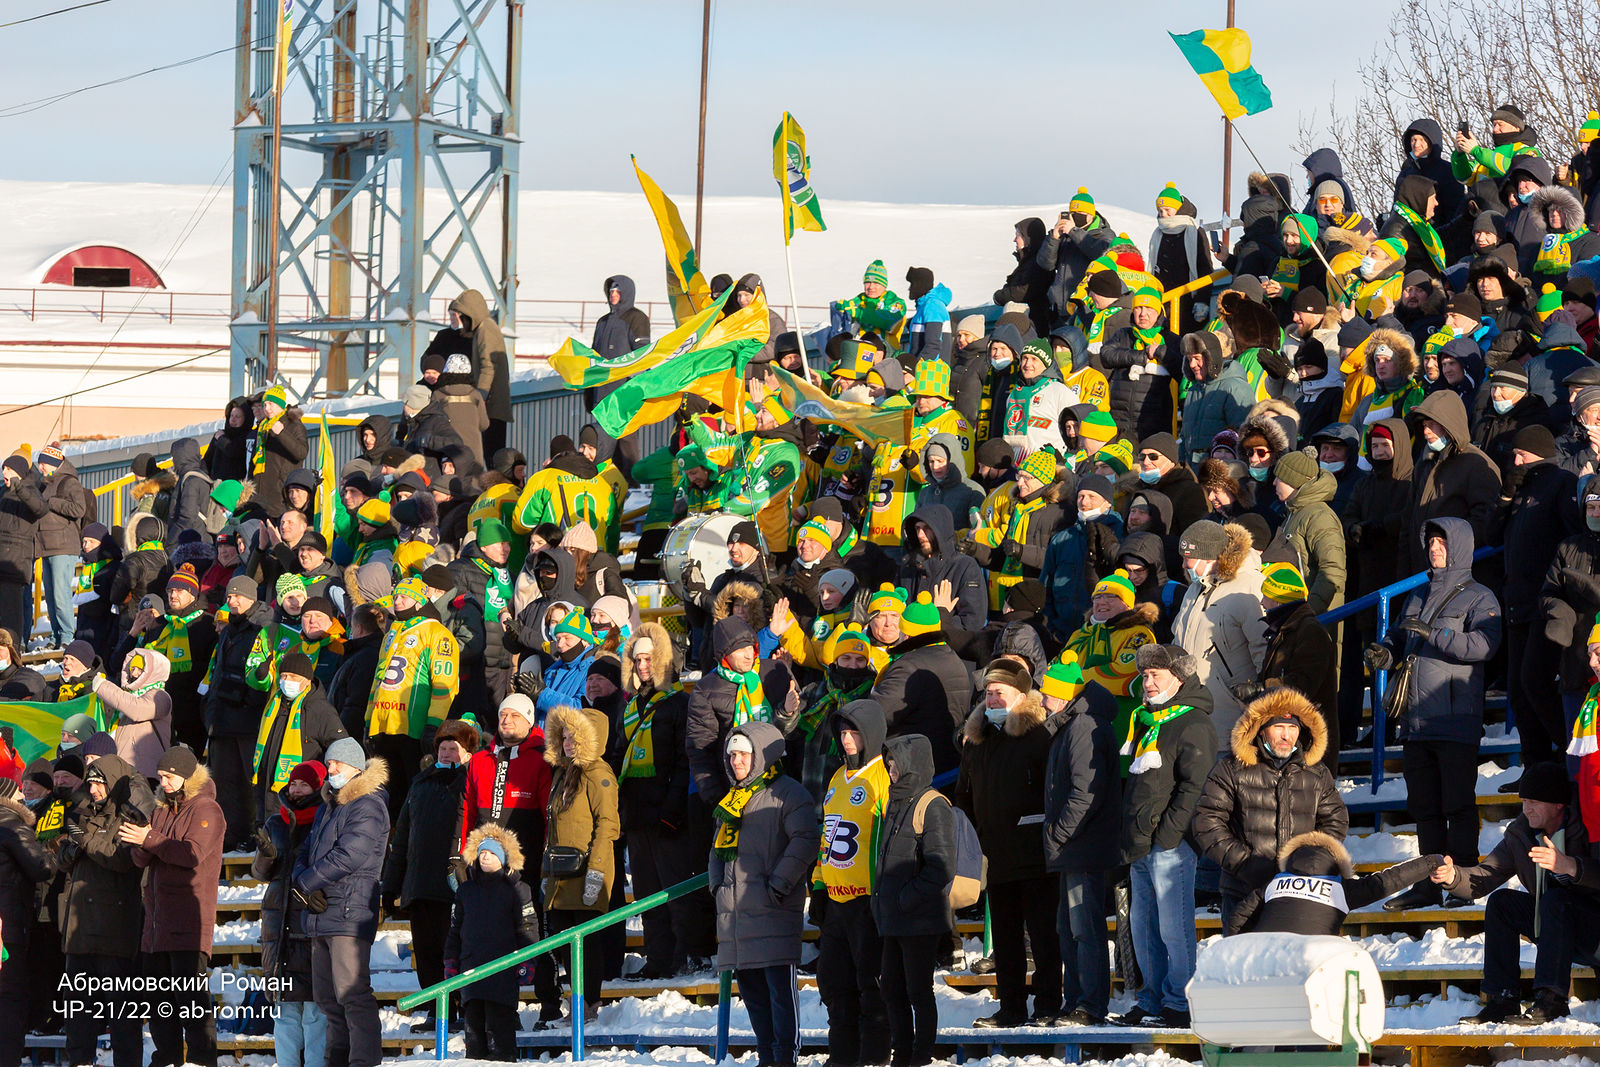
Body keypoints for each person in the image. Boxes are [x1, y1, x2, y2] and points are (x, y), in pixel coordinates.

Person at [1368, 518, 1502, 910]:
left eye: (1442, 542)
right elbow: (1400, 634)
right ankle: (1427, 884)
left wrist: (1437, 635)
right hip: (1416, 719)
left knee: (1457, 805)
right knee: (1424, 808)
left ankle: (1464, 881)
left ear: (1458, 546)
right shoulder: (1419, 593)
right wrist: (1386, 651)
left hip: (1455, 717)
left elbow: (1484, 645)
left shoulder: (1480, 597)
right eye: (1431, 542)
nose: (1434, 548)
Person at [1434, 763, 1597, 1024]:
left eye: (1534, 802)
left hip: (1594, 930)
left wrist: (1569, 866)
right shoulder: (1521, 833)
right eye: (1524, 801)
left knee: (1556, 899)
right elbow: (1486, 875)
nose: (1526, 808)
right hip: (1556, 927)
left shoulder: (1589, 823)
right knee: (1502, 903)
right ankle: (1502, 1000)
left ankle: (1551, 1002)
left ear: (1558, 804)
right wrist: (1453, 877)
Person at [1113, 644, 1217, 1029]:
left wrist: (1170, 835)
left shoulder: (1193, 722)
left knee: (1174, 929)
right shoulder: (1146, 719)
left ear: (1179, 677)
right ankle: (1150, 1000)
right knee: (1144, 930)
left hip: (1171, 845)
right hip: (1140, 843)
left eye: (1156, 674)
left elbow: (1196, 788)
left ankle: (1179, 1003)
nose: (1148, 682)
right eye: (1144, 675)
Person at [1191, 688, 1347, 934]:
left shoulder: (1316, 773)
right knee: (1243, 958)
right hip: (1243, 890)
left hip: (1298, 893)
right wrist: (1245, 863)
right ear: (1261, 729)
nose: (1287, 735)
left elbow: (1335, 822)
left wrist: (1307, 863)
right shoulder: (1231, 768)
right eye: (1279, 727)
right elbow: (1207, 822)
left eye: (1293, 728)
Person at [957, 659, 1061, 1027]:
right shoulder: (978, 739)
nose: (992, 699)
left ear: (1020, 695)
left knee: (1044, 935)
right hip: (996, 855)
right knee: (1005, 938)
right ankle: (1011, 1008)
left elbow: (1054, 792)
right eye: (988, 693)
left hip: (1034, 855)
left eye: (999, 692)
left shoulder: (1040, 737)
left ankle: (1048, 1004)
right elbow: (964, 794)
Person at [710, 722, 820, 1067]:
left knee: (779, 993)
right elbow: (716, 850)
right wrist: (717, 885)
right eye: (732, 755)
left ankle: (784, 1057)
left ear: (761, 755)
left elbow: (806, 839)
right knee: (754, 994)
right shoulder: (732, 799)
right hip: (736, 914)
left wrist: (779, 884)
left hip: (773, 908)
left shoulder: (789, 793)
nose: (736, 761)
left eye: (743, 754)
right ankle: (767, 1056)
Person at [125, 746, 225, 1067]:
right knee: (159, 1006)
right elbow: (140, 859)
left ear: (186, 776)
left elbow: (191, 854)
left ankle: (201, 1060)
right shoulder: (161, 810)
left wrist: (149, 839)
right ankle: (166, 1060)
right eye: (161, 776)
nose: (163, 782)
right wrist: (141, 839)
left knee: (191, 1002)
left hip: (188, 924)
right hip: (156, 926)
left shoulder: (206, 808)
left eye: (169, 776)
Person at [294, 737, 389, 1067]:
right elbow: (306, 849)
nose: (330, 768)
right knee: (327, 999)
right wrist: (302, 881)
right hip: (321, 912)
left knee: (352, 994)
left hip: (350, 911)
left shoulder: (368, 804)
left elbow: (350, 855)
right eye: (329, 763)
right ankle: (337, 1060)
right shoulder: (328, 805)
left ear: (355, 767)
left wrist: (308, 882)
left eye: (336, 763)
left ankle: (363, 1061)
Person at [808, 698, 891, 1065]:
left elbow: (890, 839)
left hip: (868, 900)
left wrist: (883, 890)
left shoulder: (882, 776)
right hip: (836, 900)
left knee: (871, 983)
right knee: (833, 982)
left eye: (853, 732)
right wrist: (818, 885)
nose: (846, 739)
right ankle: (842, 1054)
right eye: (842, 732)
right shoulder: (837, 777)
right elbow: (826, 838)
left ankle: (873, 1055)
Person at [381, 717, 477, 1030]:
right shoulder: (420, 783)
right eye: (443, 748)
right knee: (426, 952)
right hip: (419, 884)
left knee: (455, 951)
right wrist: (390, 885)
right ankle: (438, 1011)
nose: (447, 753)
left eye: (454, 748)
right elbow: (402, 837)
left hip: (453, 885)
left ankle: (462, 1010)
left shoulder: (471, 781)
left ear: (467, 753)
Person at [55, 755, 150, 1067]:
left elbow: (120, 859)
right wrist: (70, 848)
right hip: (79, 932)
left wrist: (86, 841)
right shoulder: (84, 814)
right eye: (91, 782)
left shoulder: (130, 817)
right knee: (77, 1016)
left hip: (115, 932)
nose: (93, 789)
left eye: (99, 783)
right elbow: (63, 861)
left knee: (122, 1016)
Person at [1040, 659, 1121, 1025]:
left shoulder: (1083, 726)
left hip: (1081, 847)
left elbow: (1085, 793)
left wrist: (1059, 833)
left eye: (1046, 694)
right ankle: (1075, 1001)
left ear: (1062, 696)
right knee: (1068, 928)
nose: (1042, 701)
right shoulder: (1073, 725)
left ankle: (1089, 1005)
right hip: (1073, 847)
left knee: (1083, 928)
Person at [616, 623, 698, 978]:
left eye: (649, 659)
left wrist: (673, 810)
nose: (643, 666)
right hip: (637, 814)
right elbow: (619, 757)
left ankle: (684, 955)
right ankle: (657, 958)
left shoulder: (680, 703)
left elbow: (684, 761)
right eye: (637, 660)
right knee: (647, 892)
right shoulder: (630, 706)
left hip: (669, 814)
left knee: (676, 890)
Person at [873, 733, 955, 1067]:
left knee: (918, 990)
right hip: (895, 915)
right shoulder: (895, 801)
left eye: (896, 764)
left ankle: (921, 1055)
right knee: (892, 988)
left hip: (919, 917)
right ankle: (902, 1053)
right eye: (889, 764)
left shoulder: (932, 804)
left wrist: (905, 898)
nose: (891, 770)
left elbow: (941, 866)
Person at [538, 703, 620, 1025]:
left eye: (575, 737)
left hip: (587, 871)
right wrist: (546, 872)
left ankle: (589, 1005)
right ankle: (577, 1003)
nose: (568, 743)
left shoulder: (599, 773)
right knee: (565, 942)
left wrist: (596, 871)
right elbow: (554, 827)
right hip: (561, 874)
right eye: (565, 737)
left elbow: (608, 825)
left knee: (586, 943)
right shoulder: (562, 773)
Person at [253, 760, 329, 1067]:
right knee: (284, 1014)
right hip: (279, 926)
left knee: (314, 1014)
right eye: (293, 784)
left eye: (304, 785)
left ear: (318, 787)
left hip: (310, 924)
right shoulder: (276, 822)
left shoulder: (326, 819)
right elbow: (260, 873)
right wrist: (266, 855)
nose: (296, 790)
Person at [365, 576, 460, 818]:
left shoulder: (437, 632)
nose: (397, 602)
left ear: (419, 602)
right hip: (384, 726)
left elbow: (445, 683)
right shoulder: (392, 632)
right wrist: (368, 720)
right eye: (395, 596)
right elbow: (378, 679)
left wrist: (433, 724)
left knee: (414, 795)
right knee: (386, 795)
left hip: (414, 729)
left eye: (404, 597)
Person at [1169, 520, 1268, 744]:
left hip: (1231, 712)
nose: (1183, 565)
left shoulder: (1250, 586)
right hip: (1188, 710)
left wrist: (1261, 698)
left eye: (1188, 558)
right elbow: (1179, 638)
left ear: (1208, 557)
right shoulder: (1194, 589)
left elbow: (1263, 647)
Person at [448, 825, 539, 1058]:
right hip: (471, 969)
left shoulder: (518, 889)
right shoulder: (466, 890)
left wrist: (528, 960)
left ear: (504, 858)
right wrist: (450, 961)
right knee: (474, 1035)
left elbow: (528, 928)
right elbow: (455, 930)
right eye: (482, 852)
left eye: (492, 853)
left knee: (501, 1034)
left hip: (503, 971)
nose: (485, 857)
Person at [0, 775, 53, 1067]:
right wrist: (56, 851)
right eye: (18, 791)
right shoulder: (12, 823)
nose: (24, 795)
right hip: (8, 925)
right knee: (11, 995)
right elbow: (41, 867)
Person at [448, 289, 512, 459]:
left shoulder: (486, 328)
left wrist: (481, 396)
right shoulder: (482, 329)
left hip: (491, 406)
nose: (461, 321)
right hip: (490, 404)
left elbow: (488, 366)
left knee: (492, 454)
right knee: (489, 453)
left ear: (471, 314)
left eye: (462, 316)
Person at [34, 446, 87, 649]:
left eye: (43, 463)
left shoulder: (69, 482)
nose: (40, 468)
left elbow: (79, 509)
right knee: (50, 594)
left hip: (63, 546)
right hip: (46, 545)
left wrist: (52, 502)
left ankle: (67, 636)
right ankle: (56, 635)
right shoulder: (44, 484)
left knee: (60, 594)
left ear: (54, 463)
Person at [250, 386, 310, 521]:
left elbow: (301, 453)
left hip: (280, 494)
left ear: (280, 405)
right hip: (259, 495)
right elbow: (254, 460)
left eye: (271, 404)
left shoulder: (294, 425)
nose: (267, 408)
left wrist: (281, 433)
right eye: (264, 405)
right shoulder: (263, 427)